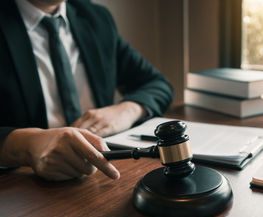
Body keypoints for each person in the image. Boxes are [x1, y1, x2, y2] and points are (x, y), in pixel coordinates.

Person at [0, 0, 173, 181]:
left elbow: (157, 83)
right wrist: (26, 145)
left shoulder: (95, 17)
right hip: (20, 189)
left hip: (101, 174)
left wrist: (125, 111)